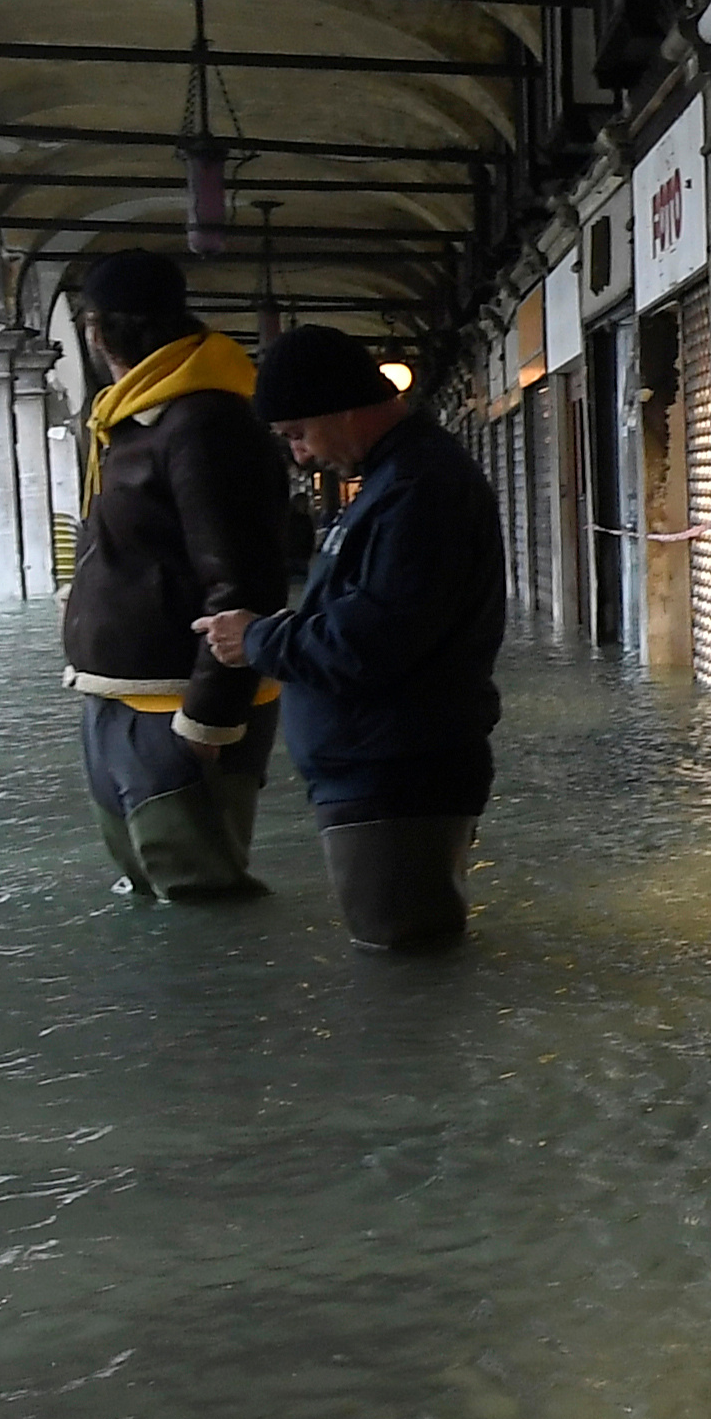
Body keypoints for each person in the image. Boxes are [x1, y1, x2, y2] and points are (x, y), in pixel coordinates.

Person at [202, 325, 505, 950]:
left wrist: (258, 641)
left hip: (397, 777)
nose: (301, 456)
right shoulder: (392, 483)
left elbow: (371, 642)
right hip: (378, 769)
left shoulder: (419, 492)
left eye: (298, 434)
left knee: (407, 968)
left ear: (341, 407)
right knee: (404, 957)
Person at [60, 250, 304, 902]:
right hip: (117, 692)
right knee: (150, 890)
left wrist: (207, 720)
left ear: (96, 329)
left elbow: (244, 581)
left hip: (177, 704)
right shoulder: (131, 420)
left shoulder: (205, 422)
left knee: (199, 894)